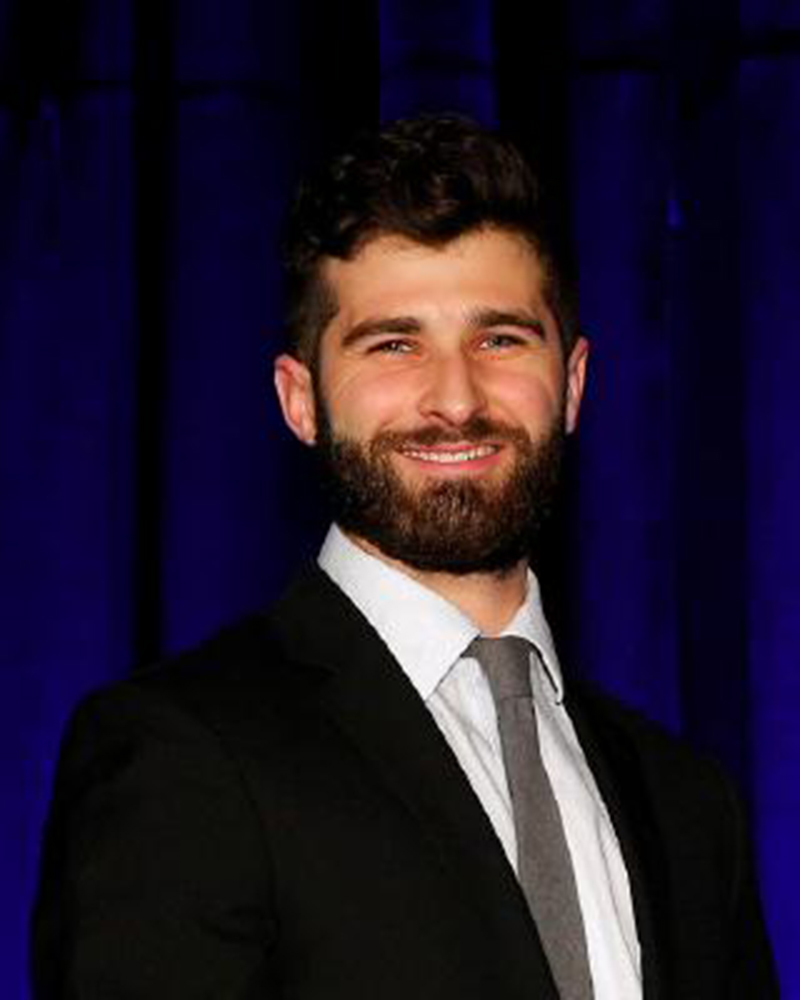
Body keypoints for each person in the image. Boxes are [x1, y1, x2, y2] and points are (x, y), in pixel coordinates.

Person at [32, 115, 777, 999]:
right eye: (394, 345)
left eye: (500, 339)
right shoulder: (182, 754)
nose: (455, 398)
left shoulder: (690, 803)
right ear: (299, 399)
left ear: (573, 383)